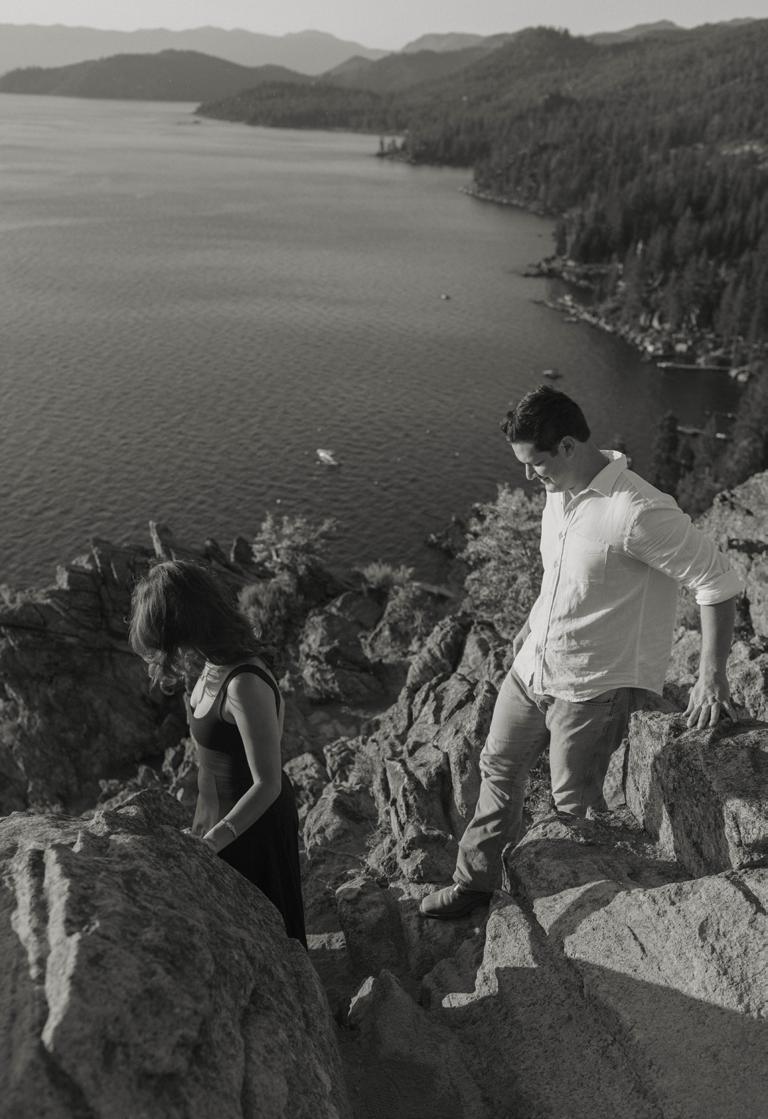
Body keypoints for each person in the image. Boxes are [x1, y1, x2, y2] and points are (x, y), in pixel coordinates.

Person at [421, 385, 743, 920]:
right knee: (497, 768)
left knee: (573, 808)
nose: (530, 476)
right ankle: (473, 885)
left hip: (590, 689)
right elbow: (560, 573)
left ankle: (576, 916)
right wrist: (530, 625)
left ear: (568, 446)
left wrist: (712, 676)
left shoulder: (637, 510)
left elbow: (718, 581)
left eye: (536, 463)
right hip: (532, 668)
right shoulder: (559, 491)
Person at [129, 560, 307, 948]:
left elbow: (268, 783)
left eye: (167, 642)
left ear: (186, 626)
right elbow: (209, 762)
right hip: (218, 819)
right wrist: (200, 825)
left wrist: (212, 841)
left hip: (254, 824)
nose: (168, 655)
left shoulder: (244, 684)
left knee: (270, 937)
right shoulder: (211, 663)